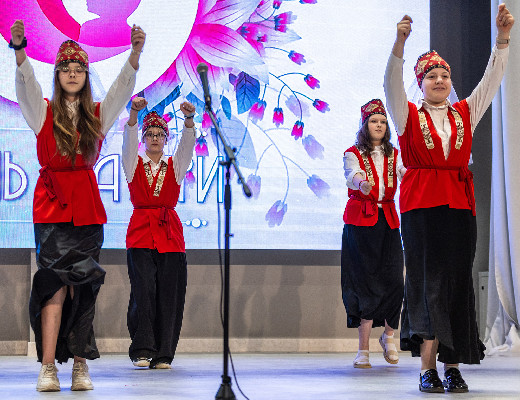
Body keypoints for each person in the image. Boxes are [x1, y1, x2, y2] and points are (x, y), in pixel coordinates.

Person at [384, 3, 514, 394]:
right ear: (421, 83)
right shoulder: (407, 116)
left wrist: (502, 38)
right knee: (428, 283)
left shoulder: (464, 112)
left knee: (457, 283)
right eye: (431, 76)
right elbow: (390, 84)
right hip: (421, 208)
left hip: (459, 207)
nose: (439, 80)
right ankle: (427, 368)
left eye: (444, 75)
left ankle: (453, 366)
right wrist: (399, 43)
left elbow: (492, 80)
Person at [11, 20, 145, 391]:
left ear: (86, 76)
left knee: (83, 289)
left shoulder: (97, 114)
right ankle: (48, 367)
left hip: (86, 211)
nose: (72, 74)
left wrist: (134, 54)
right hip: (52, 211)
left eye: (79, 69)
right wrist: (20, 52)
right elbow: (26, 85)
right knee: (53, 288)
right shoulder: (42, 112)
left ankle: (80, 367)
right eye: (66, 69)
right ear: (57, 75)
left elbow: (121, 89)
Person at [122, 97, 196, 369]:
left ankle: (164, 353)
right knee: (143, 292)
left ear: (166, 139)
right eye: (150, 134)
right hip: (141, 233)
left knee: (169, 294)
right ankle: (142, 350)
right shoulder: (133, 163)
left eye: (160, 134)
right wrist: (133, 114)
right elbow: (128, 142)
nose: (155, 138)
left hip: (170, 236)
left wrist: (189, 120)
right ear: (144, 138)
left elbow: (187, 146)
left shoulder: (175, 165)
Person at [341, 99, 405, 369]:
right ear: (364, 125)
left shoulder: (395, 154)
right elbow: (352, 174)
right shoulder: (353, 152)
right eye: (373, 121)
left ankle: (389, 336)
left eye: (382, 122)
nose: (379, 125)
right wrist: (362, 183)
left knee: (395, 281)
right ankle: (363, 348)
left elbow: (405, 173)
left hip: (387, 220)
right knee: (365, 283)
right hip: (361, 223)